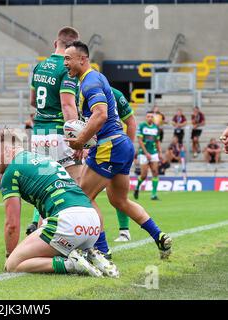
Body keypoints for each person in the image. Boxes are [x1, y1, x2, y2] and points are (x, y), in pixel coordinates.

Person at [63, 41, 172, 260]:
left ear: (82, 59)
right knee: (120, 201)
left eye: (68, 58)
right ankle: (159, 236)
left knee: (83, 197)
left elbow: (101, 114)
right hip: (120, 144)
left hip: (109, 146)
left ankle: (102, 251)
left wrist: (80, 141)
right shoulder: (97, 78)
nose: (65, 63)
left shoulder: (90, 81)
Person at [0, 128, 118, 277]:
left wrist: (10, 255)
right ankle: (89, 255)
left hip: (68, 223)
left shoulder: (11, 173)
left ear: (8, 150)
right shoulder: (43, 159)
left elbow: (12, 224)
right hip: (92, 223)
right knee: (42, 251)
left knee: (13, 264)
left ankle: (70, 264)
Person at [27, 26, 81, 235]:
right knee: (75, 189)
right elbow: (68, 106)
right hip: (59, 134)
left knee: (46, 191)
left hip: (39, 135)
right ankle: (75, 239)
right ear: (73, 47)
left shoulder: (40, 67)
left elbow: (33, 101)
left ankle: (40, 238)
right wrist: (77, 139)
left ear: (55, 43)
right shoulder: (67, 69)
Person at [110, 88, 137, 243]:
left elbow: (131, 121)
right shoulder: (74, 91)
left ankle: (124, 231)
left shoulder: (116, 94)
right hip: (88, 148)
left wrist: (129, 147)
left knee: (117, 196)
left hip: (111, 148)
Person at [133, 110, 162, 201]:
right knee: (144, 175)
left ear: (153, 118)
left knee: (155, 172)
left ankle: (153, 194)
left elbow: (157, 141)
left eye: (151, 116)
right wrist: (146, 153)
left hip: (153, 152)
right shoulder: (142, 126)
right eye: (148, 116)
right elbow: (140, 141)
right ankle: (137, 187)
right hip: (143, 153)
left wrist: (160, 152)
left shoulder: (156, 128)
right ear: (146, 117)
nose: (150, 118)